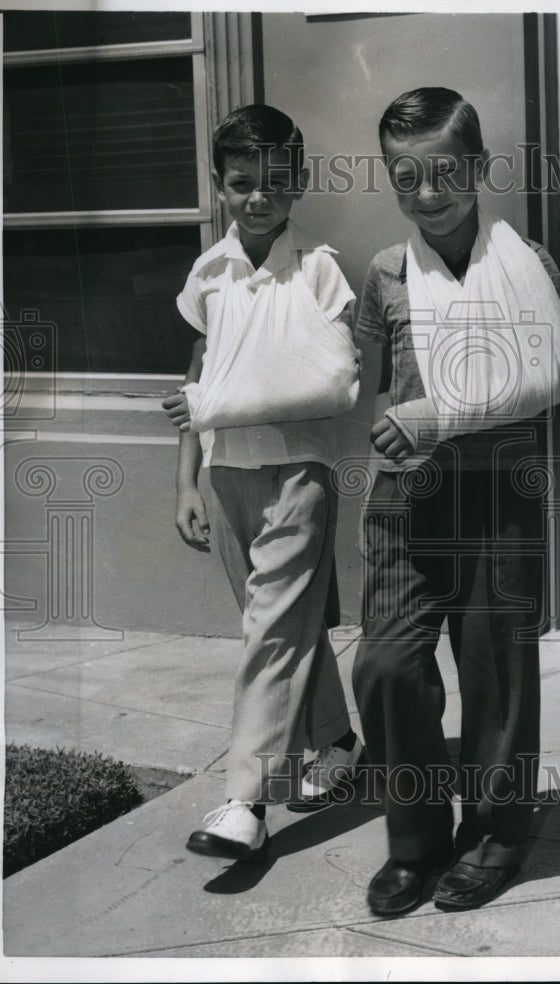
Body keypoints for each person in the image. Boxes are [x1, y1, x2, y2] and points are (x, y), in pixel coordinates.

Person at [352, 87, 560, 914]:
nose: (427, 192)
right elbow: (365, 388)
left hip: (499, 498)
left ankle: (496, 832)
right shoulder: (382, 273)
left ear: (477, 167)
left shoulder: (528, 264)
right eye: (405, 177)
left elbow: (545, 385)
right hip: (409, 503)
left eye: (445, 172)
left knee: (495, 671)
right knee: (384, 666)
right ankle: (414, 841)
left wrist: (439, 415)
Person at [162, 104, 363, 861]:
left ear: (299, 183)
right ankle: (337, 739)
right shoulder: (208, 273)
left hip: (297, 470)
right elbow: (200, 380)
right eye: (242, 183)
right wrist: (184, 481)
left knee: (270, 632)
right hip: (226, 473)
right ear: (219, 186)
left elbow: (336, 380)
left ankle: (244, 799)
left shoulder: (317, 266)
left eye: (274, 183)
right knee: (286, 625)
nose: (257, 197)